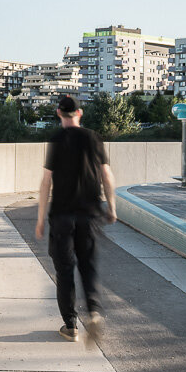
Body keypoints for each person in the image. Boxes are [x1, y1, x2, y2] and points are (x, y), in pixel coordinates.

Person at [34, 94, 117, 342]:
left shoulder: (57, 140)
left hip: (62, 217)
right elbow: (106, 175)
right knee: (88, 266)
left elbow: (46, 182)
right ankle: (94, 313)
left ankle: (70, 326)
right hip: (89, 215)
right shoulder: (93, 138)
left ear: (59, 113)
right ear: (80, 113)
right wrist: (112, 207)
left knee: (65, 270)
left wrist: (40, 219)